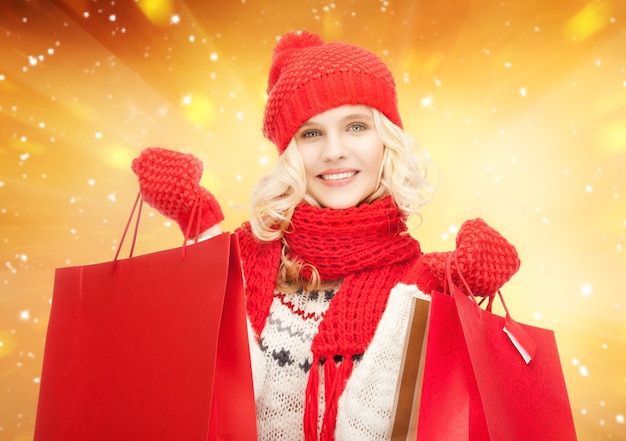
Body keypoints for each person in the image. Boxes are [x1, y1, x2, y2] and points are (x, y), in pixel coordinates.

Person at [131, 31, 520, 441]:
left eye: (355, 126)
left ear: (387, 140)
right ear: (290, 153)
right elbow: (204, 391)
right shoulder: (243, 259)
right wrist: (199, 221)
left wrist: (467, 279)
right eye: (311, 133)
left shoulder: (426, 283)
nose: (334, 151)